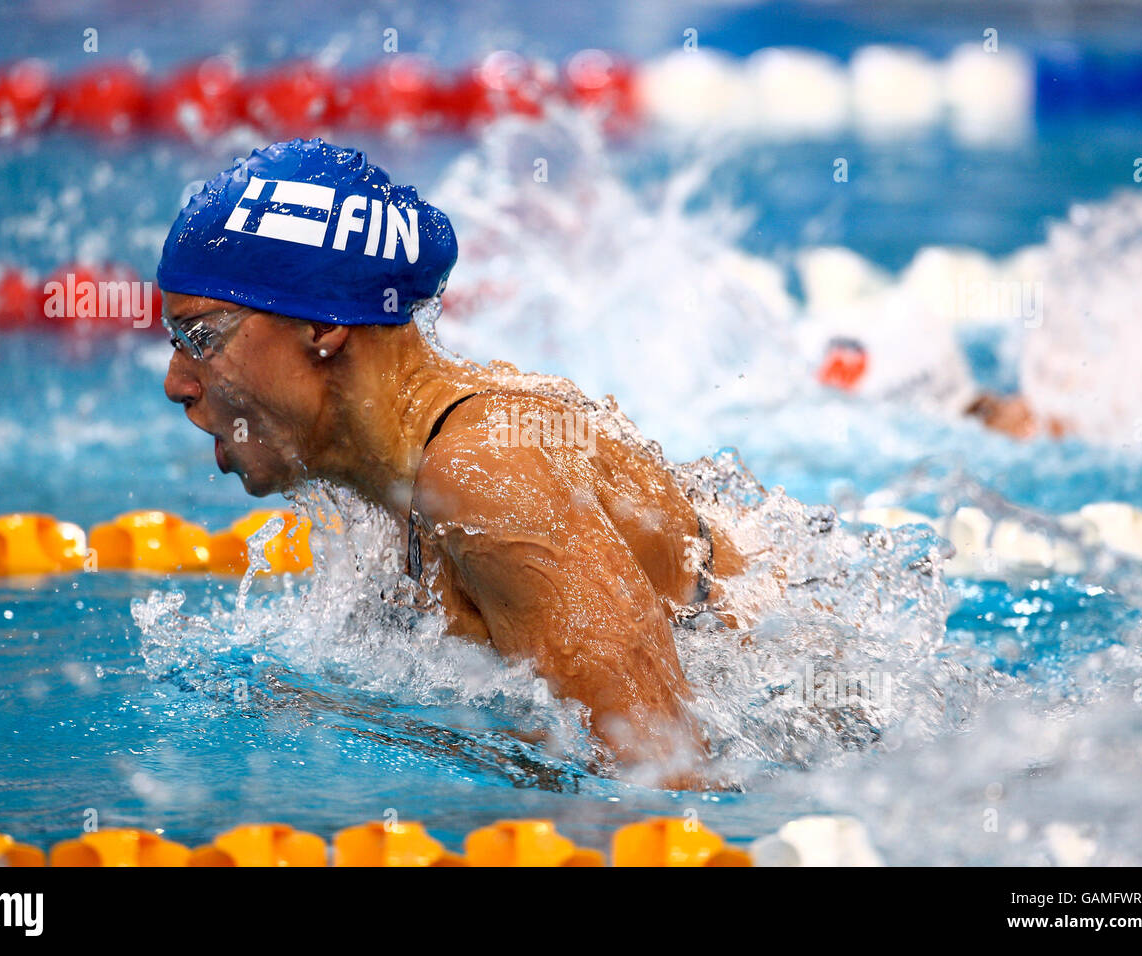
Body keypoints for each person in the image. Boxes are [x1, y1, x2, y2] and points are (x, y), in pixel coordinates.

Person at [158, 139, 744, 789]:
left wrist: (360, 724)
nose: (176, 382)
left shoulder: (485, 474)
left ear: (321, 325)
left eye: (201, 338)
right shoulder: (396, 478)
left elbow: (666, 784)